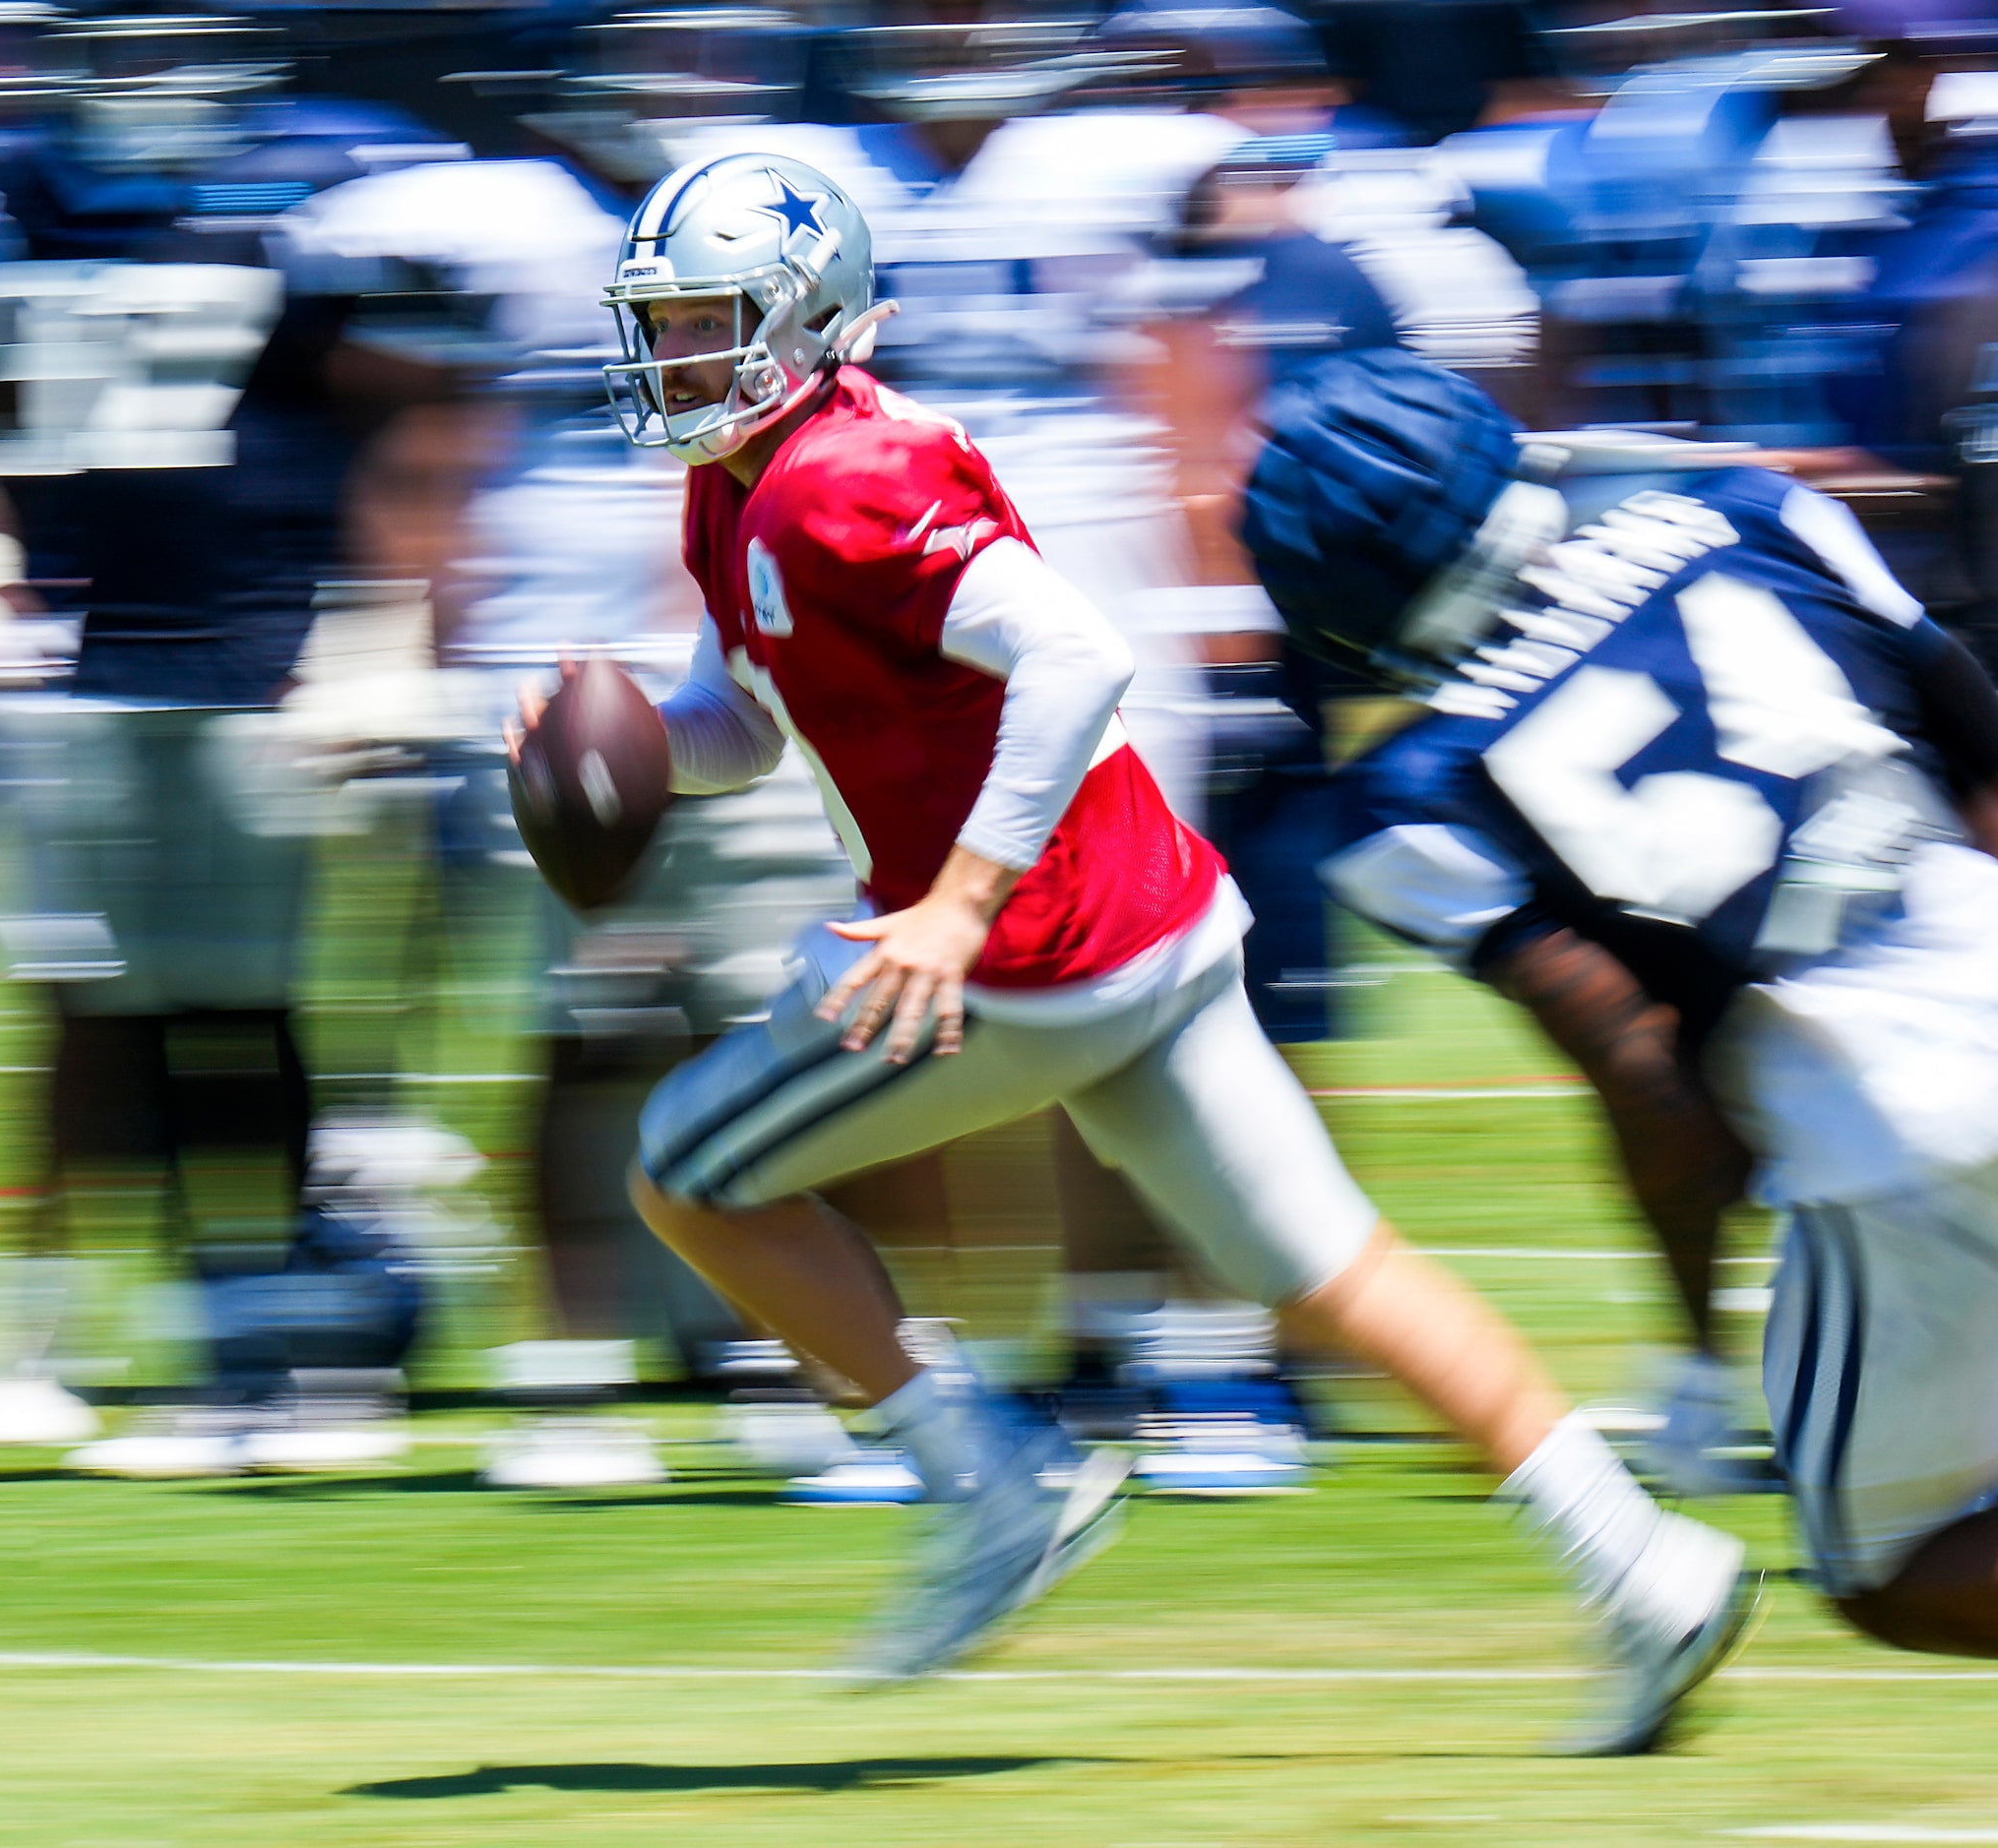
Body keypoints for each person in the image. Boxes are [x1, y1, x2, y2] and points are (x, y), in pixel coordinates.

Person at [513, 151, 1754, 1750]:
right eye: (663, 324)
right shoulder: (745, 480)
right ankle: (1643, 1561)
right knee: (1333, 1269)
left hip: (1029, 960)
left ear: (806, 321)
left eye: (705, 324)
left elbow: (1078, 659)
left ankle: (991, 1480)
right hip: (1146, 923)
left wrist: (956, 903)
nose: (672, 358)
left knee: (688, 1173)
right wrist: (612, 741)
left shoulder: (843, 478)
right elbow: (745, 726)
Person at [1249, 345, 1998, 1658]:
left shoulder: (1413, 794)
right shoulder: (1752, 510)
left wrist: (1698, 1355)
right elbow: (1978, 747)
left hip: (1902, 1120)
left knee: (1894, 1562)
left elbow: (1641, 1064)